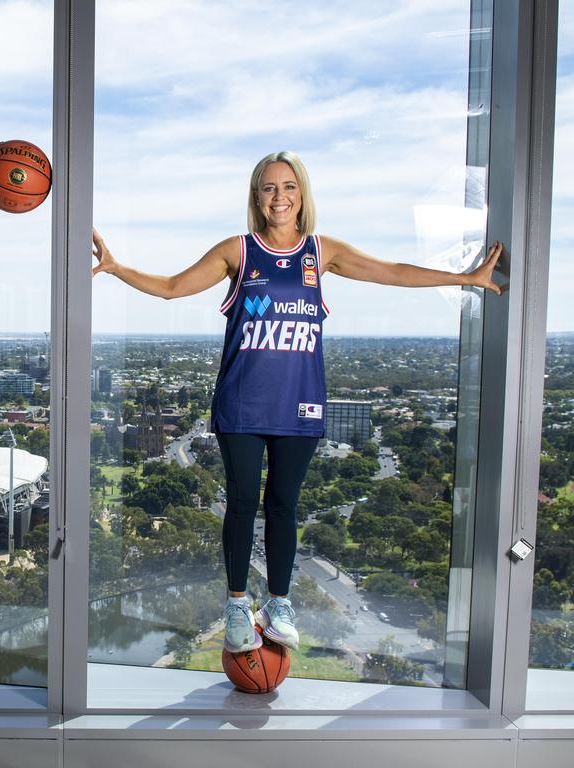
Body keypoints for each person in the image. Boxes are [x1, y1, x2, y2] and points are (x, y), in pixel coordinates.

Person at [91, 150, 503, 654]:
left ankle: (279, 602)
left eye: (288, 187)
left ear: (301, 194)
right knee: (243, 504)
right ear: (256, 198)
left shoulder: (319, 252)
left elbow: (390, 272)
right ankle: (238, 604)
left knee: (284, 505)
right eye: (268, 188)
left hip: (300, 404)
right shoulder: (238, 251)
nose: (279, 196)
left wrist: (464, 278)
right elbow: (173, 288)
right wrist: (116, 268)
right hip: (242, 404)